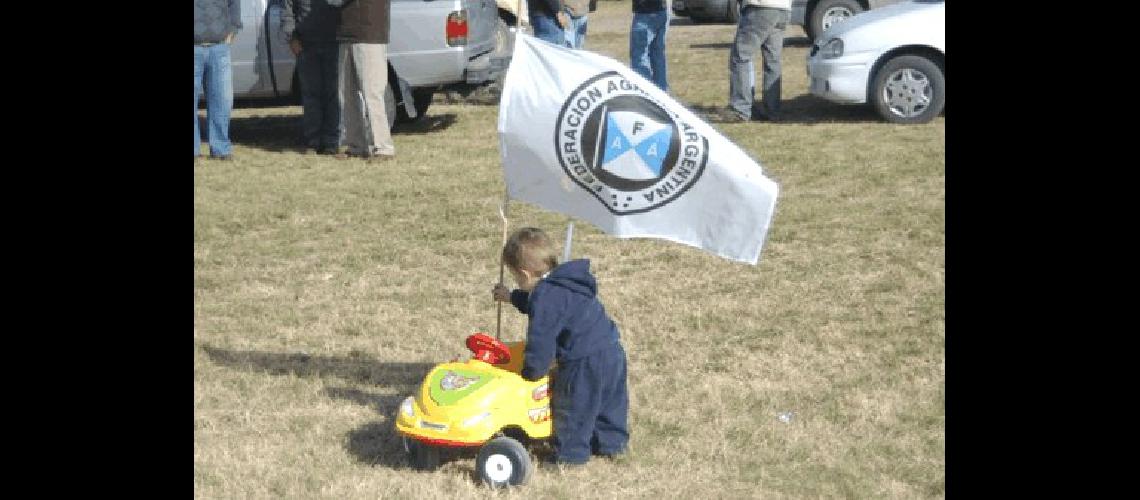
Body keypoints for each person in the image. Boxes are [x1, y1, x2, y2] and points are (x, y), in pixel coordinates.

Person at [491, 227, 630, 466]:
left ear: (524, 274)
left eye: (516, 279)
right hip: (611, 349)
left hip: (582, 361)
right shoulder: (567, 281)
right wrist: (512, 297)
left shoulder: (546, 297)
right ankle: (611, 444)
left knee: (574, 406)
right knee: (610, 401)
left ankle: (570, 455)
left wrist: (532, 372)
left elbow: (541, 341)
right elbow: (543, 305)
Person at [326, 0, 396, 162]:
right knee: (347, 93)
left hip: (369, 32)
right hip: (346, 33)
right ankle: (356, 146)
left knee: (373, 92)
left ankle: (384, 148)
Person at [282, 0, 343, 155]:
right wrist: (292, 38)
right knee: (311, 95)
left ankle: (331, 142)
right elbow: (287, 12)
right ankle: (313, 142)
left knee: (333, 94)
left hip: (334, 42)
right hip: (306, 45)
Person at [720, 0, 790, 122]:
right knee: (773, 62)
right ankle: (773, 111)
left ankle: (740, 109)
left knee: (741, 57)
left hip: (759, 7)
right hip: (783, 9)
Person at [194, 0, 242, 160]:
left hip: (219, 48)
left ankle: (221, 149)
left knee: (222, 101)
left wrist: (233, 30)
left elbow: (234, 4)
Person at [629, 0, 669, 91]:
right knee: (657, 54)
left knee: (640, 55)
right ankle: (661, 91)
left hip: (645, 12)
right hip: (661, 10)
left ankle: (645, 91)